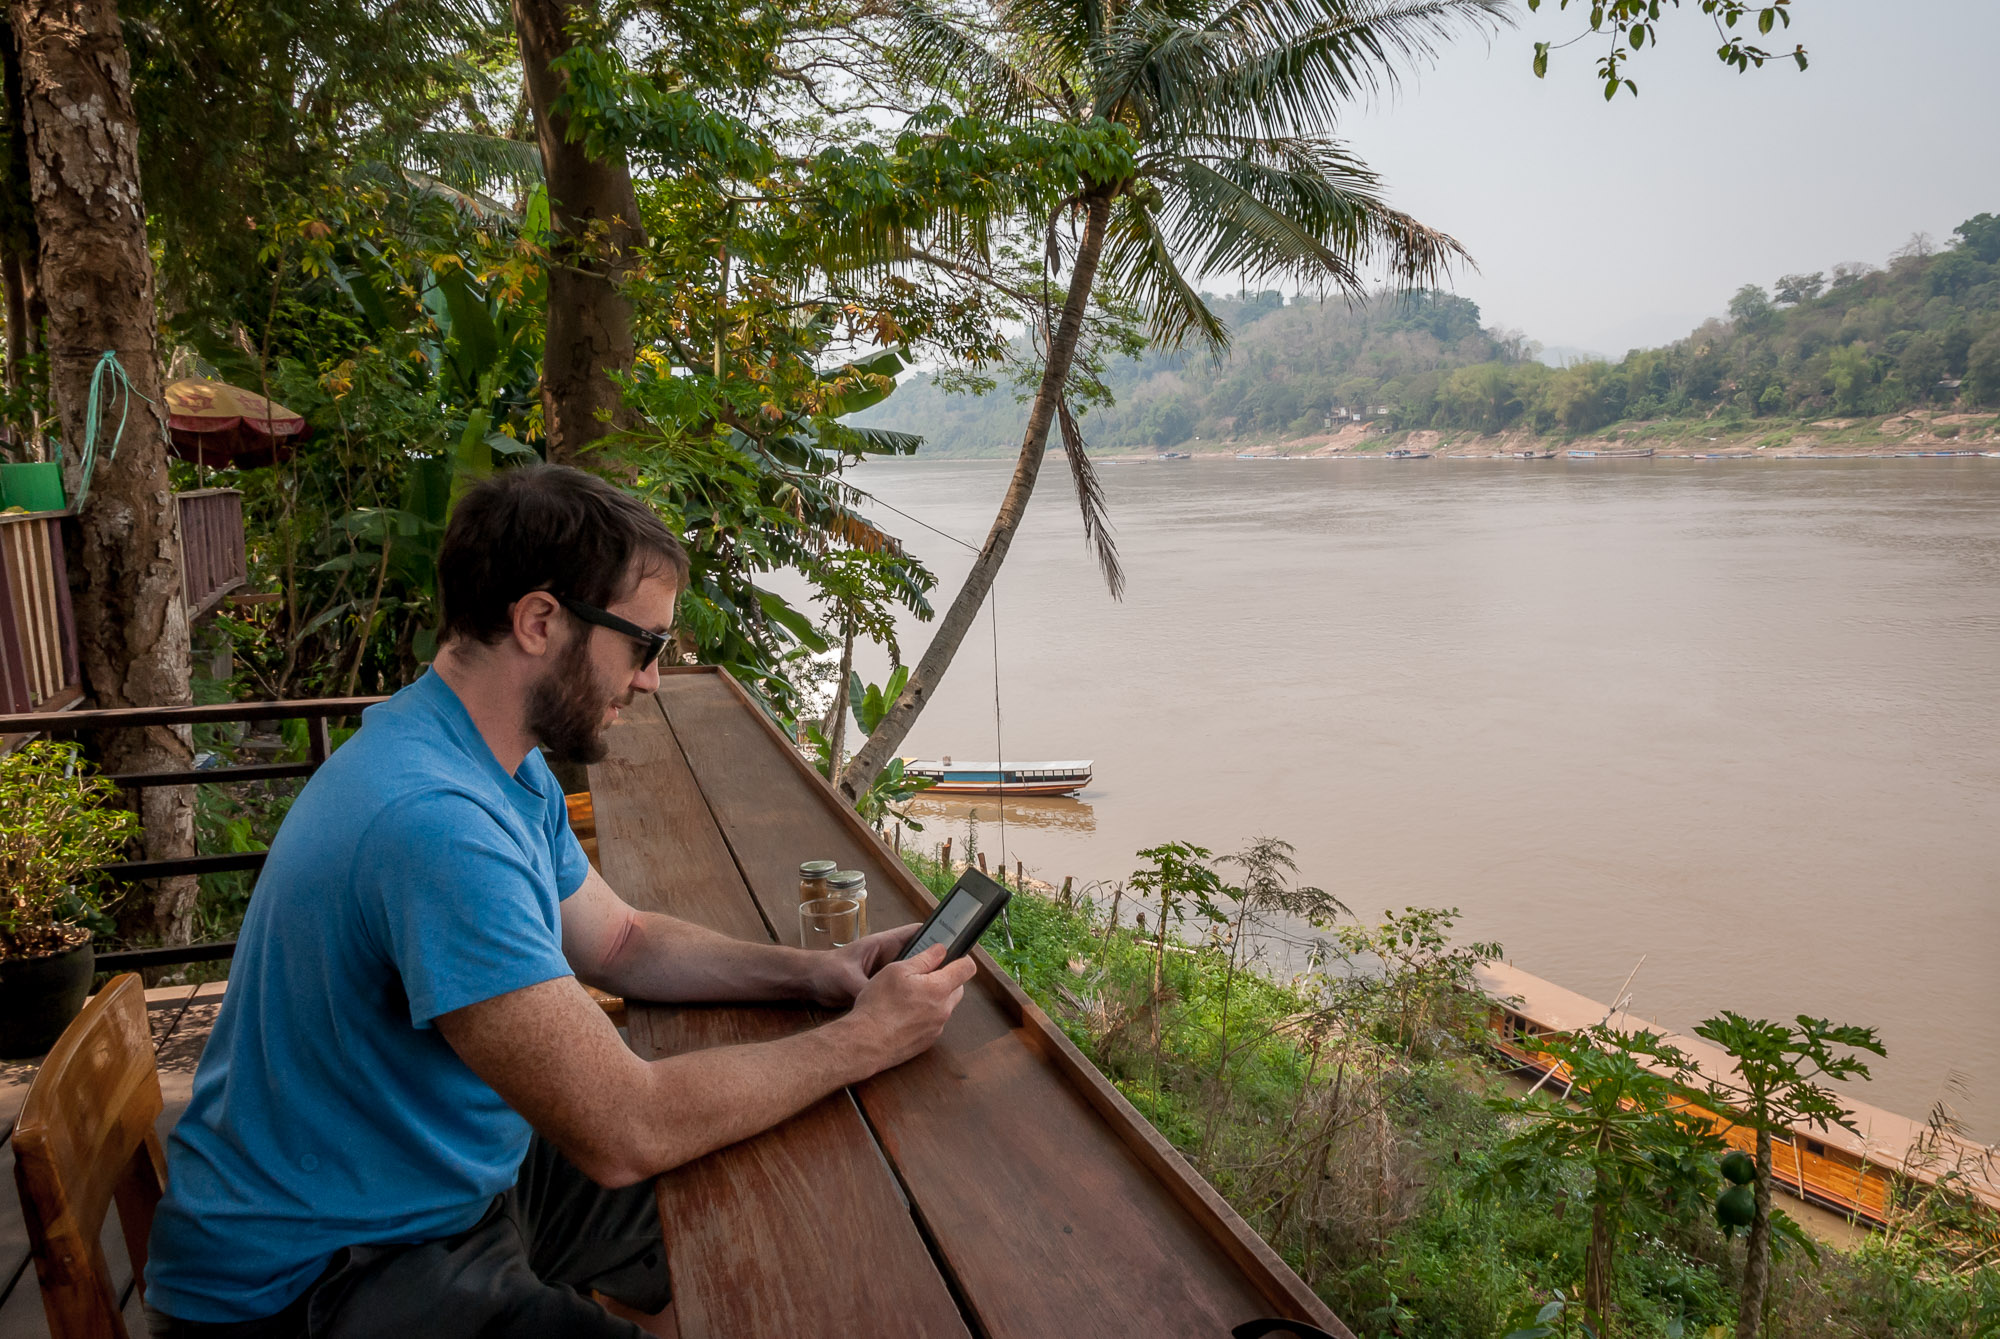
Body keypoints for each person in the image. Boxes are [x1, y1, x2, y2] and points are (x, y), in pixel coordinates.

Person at [144, 464, 976, 1337]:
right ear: (540, 621)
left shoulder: (490, 760)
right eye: (644, 645)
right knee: (686, 1162)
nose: (652, 678)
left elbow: (620, 942)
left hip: (434, 1176)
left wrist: (812, 973)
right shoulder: (435, 825)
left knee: (742, 1201)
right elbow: (625, 1125)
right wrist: (862, 1039)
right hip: (316, 1277)